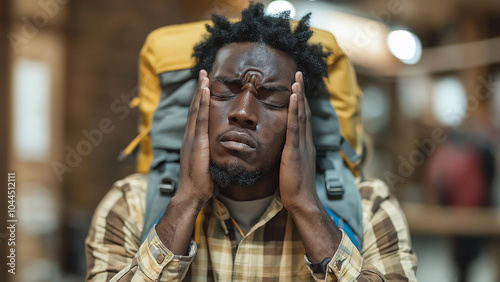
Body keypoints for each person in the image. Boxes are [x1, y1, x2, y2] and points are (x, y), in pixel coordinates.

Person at [85, 4, 417, 281]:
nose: (243, 112)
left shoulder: (369, 208)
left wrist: (306, 206)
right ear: (197, 104)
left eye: (272, 98)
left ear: (302, 118)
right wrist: (186, 200)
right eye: (226, 89)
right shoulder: (130, 206)